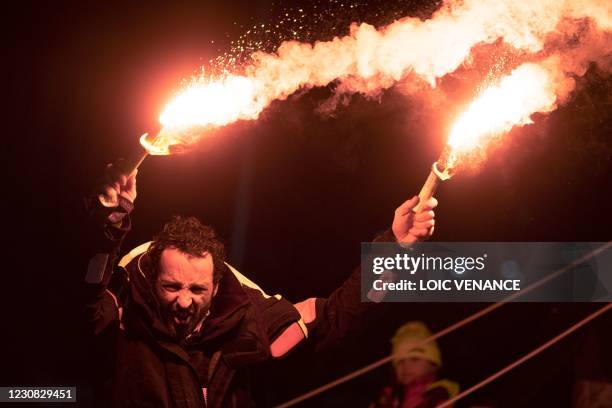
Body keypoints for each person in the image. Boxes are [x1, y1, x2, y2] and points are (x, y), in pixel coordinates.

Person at [81, 161, 438, 407]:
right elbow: (79, 302)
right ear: (154, 279)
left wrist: (395, 247)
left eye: (197, 290)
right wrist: (107, 222)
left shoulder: (246, 318)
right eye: (172, 287)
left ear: (216, 287)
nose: (185, 302)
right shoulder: (124, 313)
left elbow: (332, 321)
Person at [370, 321, 459, 408]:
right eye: (400, 362)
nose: (406, 367)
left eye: (414, 359)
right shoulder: (390, 396)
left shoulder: (438, 393)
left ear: (432, 365)